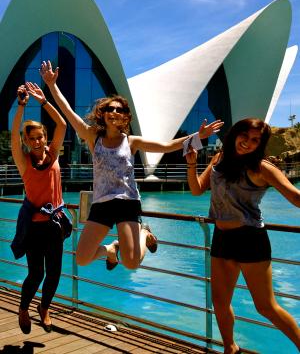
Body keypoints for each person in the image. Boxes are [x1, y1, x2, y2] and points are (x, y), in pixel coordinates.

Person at [39, 60, 223, 273]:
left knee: (131, 263)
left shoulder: (132, 142)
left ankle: (144, 233)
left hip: (127, 203)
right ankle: (110, 250)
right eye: (109, 108)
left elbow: (168, 146)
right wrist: (52, 85)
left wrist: (199, 136)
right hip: (101, 204)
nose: (114, 112)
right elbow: (69, 112)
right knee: (81, 258)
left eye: (119, 109)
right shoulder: (93, 137)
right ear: (103, 113)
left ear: (125, 115)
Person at [185, 118, 300, 354]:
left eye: (255, 140)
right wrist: (191, 164)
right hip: (221, 238)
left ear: (261, 144)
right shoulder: (219, 159)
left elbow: (295, 197)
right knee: (219, 302)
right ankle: (230, 348)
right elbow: (197, 189)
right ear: (235, 134)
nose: (247, 143)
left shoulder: (261, 167)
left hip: (250, 239)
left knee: (266, 307)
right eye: (244, 136)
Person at [11, 82, 67, 334]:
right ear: (26, 140)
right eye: (31, 138)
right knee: (36, 274)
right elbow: (13, 136)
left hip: (55, 225)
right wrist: (22, 106)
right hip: (34, 227)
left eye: (40, 136)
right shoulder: (24, 162)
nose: (37, 141)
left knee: (54, 273)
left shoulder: (53, 154)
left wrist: (44, 101)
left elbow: (63, 125)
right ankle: (23, 308)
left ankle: (44, 308)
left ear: (45, 137)